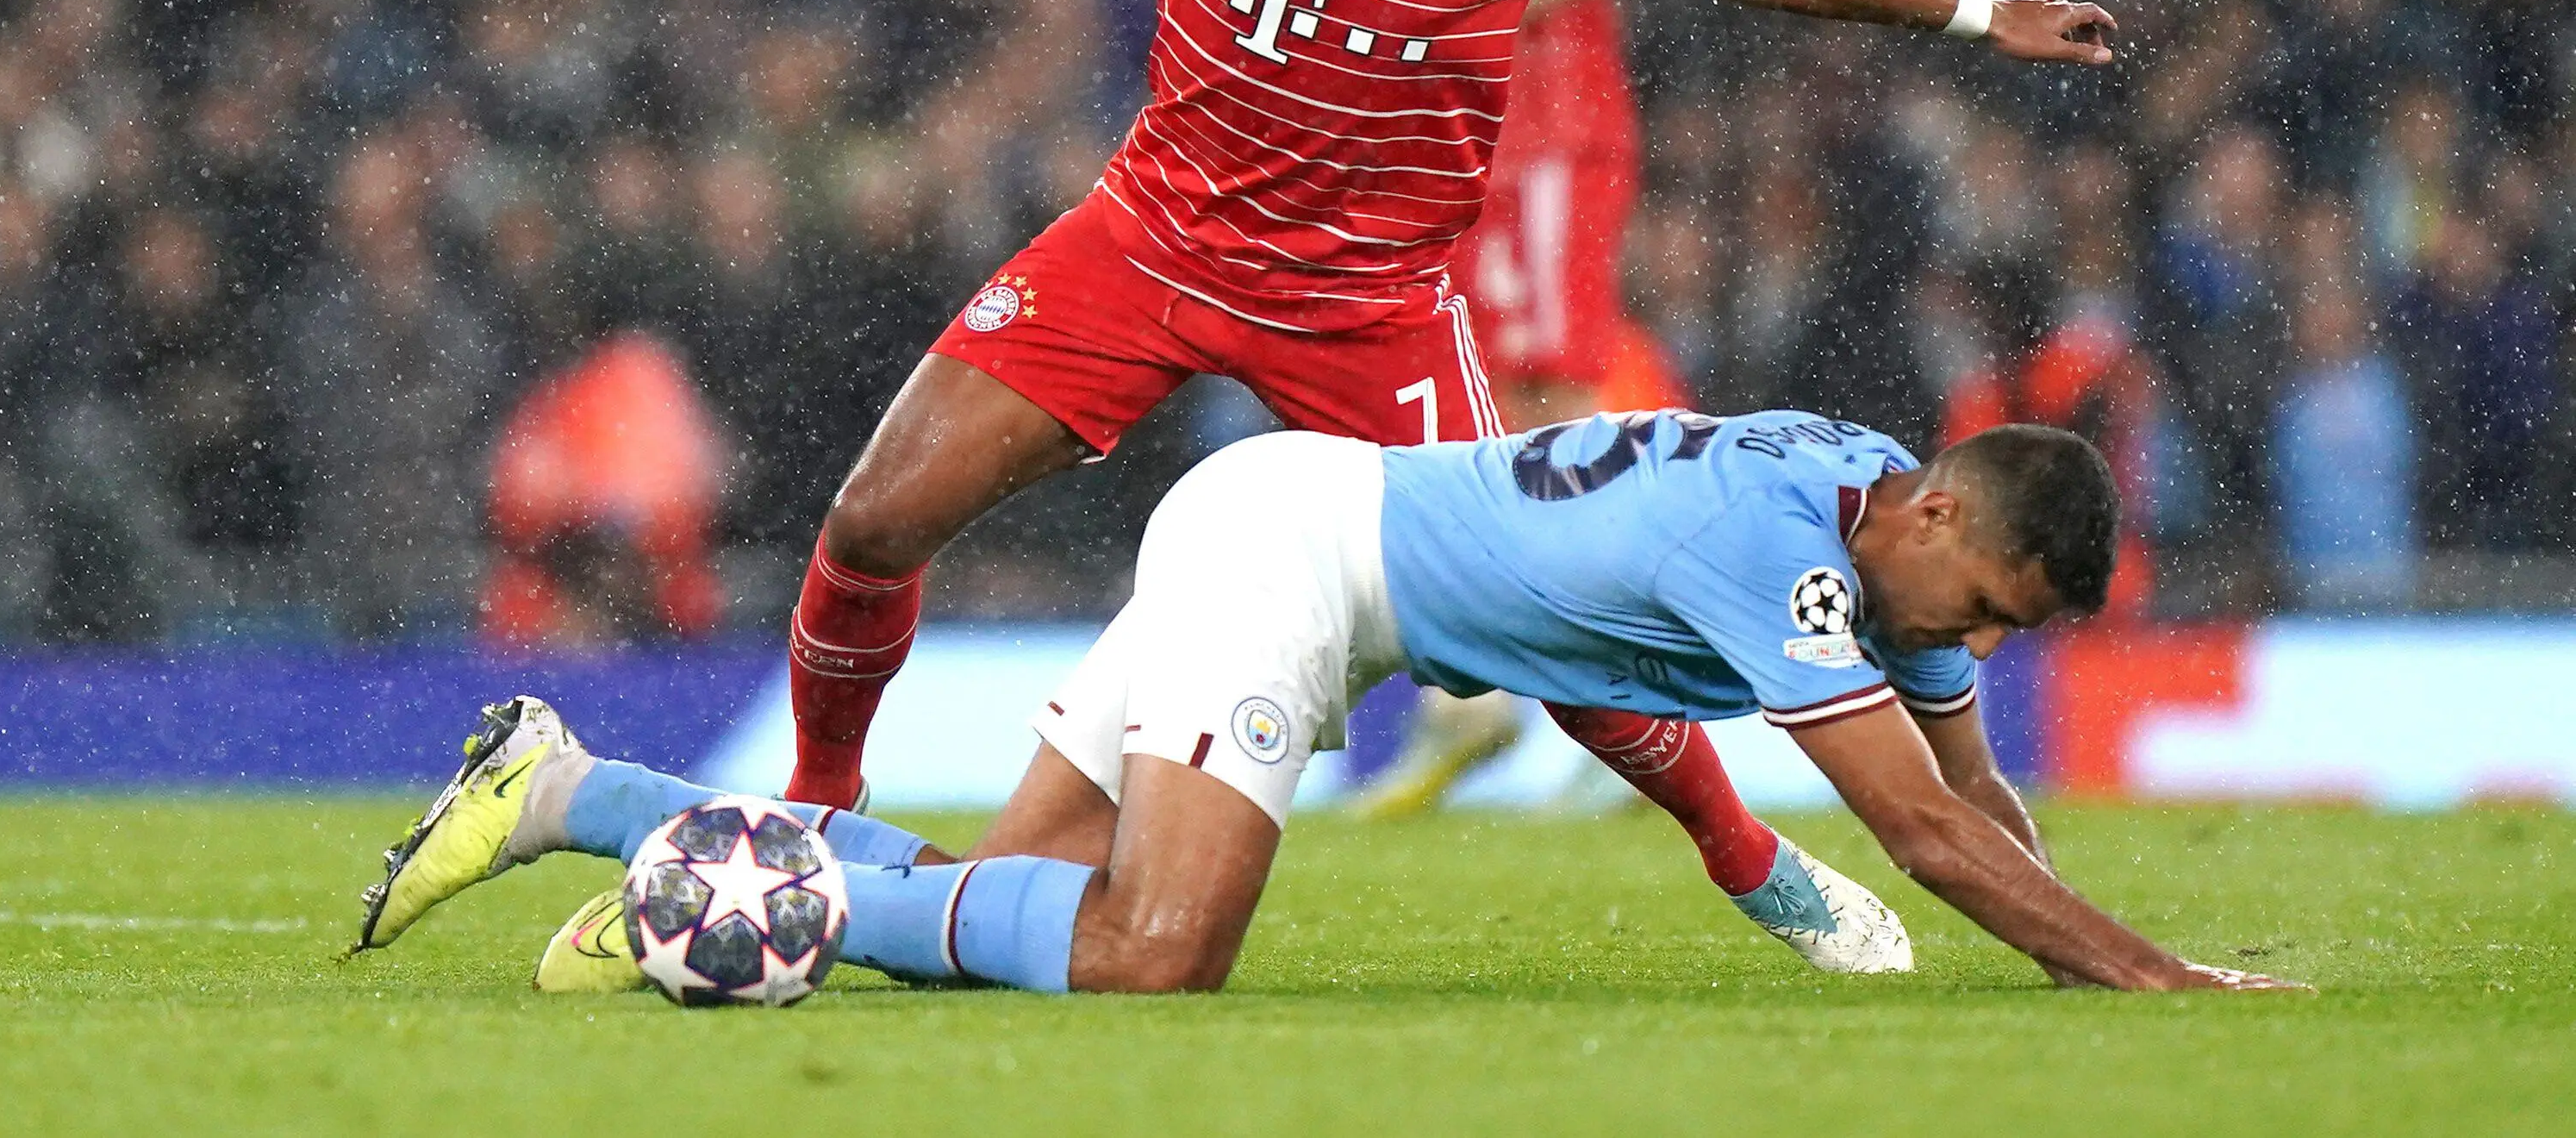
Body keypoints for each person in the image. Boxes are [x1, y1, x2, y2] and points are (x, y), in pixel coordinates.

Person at [634, 0, 2116, 956]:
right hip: (1151, 239)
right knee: (879, 516)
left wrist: (1975, 16)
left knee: (1540, 628)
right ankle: (812, 808)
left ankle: (1745, 857)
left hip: (1369, 304)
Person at [354, 412, 2301, 995]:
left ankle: (578, 796)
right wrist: (2160, 982)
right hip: (1296, 562)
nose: (1970, 644)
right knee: (1147, 955)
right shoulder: (1780, 550)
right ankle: (748, 889)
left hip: (1309, 526)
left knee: (1008, 913)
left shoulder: (1886, 503)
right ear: (1940, 515)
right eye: (1980, 604)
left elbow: (1970, 775)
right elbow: (1931, 831)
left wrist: (2083, 963)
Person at [1358, 0, 1688, 813]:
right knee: (1448, 392)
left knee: (1548, 391)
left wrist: (1435, 0)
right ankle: (1474, 692)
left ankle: (1641, 685)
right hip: (1425, 121)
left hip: (1537, 129)